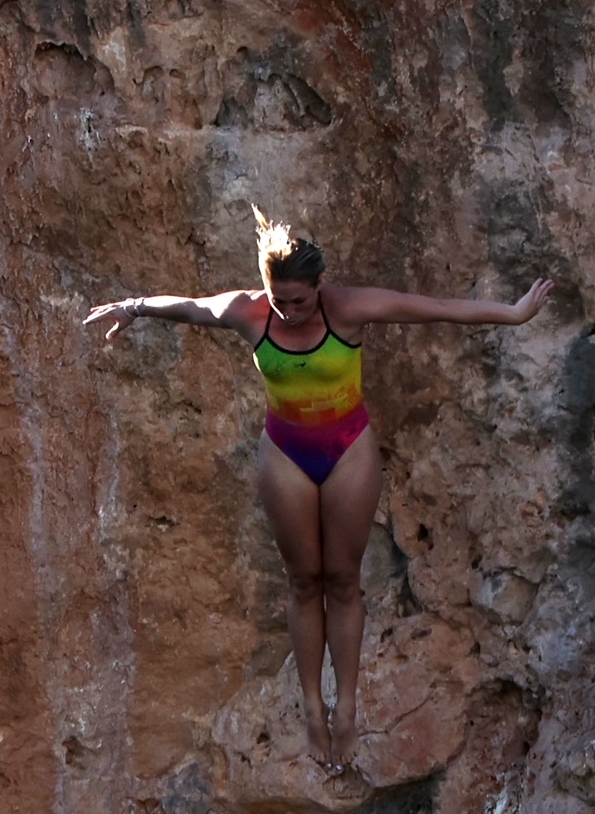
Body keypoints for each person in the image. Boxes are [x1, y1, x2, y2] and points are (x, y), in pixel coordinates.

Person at [84, 208, 553, 773]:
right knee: (304, 580)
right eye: (280, 299)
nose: (290, 311)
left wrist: (515, 313)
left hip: (348, 448)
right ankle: (312, 706)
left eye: (300, 301)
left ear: (320, 287)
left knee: (342, 580)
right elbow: (189, 306)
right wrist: (133, 308)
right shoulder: (250, 313)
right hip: (285, 452)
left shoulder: (348, 309)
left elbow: (438, 311)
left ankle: (347, 705)